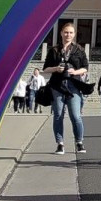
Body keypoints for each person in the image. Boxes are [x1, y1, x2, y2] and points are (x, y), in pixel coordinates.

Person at [42, 20, 89, 154]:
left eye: (71, 33)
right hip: (57, 86)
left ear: (74, 35)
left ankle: (79, 142)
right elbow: (45, 68)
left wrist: (75, 71)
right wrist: (56, 68)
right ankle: (60, 144)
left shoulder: (79, 50)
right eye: (66, 32)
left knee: (75, 116)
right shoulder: (54, 50)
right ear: (61, 33)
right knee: (58, 116)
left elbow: (85, 68)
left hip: (73, 85)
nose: (68, 35)